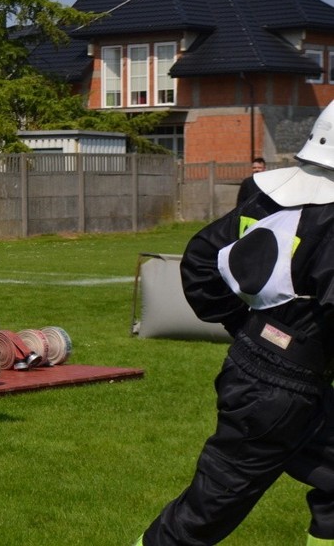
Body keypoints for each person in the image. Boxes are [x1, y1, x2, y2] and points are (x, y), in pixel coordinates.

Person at [135, 101, 334, 545]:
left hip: (268, 371)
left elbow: (201, 262)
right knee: (208, 511)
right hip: (279, 390)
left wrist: (245, 326)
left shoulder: (270, 197)